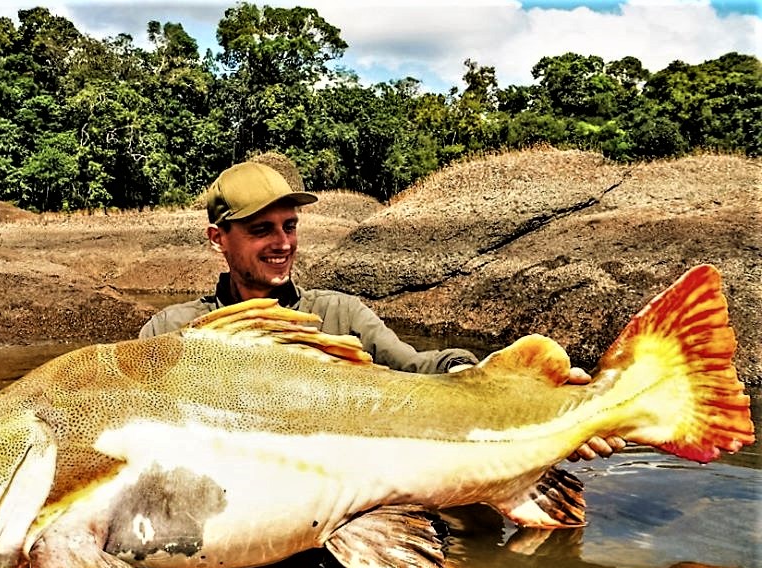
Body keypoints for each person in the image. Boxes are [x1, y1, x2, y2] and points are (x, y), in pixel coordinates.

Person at [140, 161, 624, 461]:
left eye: (289, 226)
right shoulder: (173, 330)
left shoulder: (341, 315)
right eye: (262, 230)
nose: (283, 243)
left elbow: (416, 369)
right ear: (218, 238)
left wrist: (507, 388)